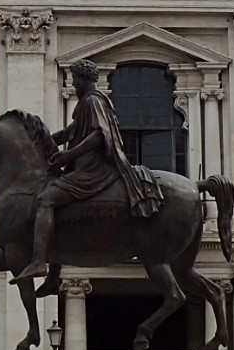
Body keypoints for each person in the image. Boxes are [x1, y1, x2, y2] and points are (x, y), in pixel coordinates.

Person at [15, 59, 164, 280]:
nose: (74, 84)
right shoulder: (85, 104)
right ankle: (53, 277)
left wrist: (68, 155)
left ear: (84, 79)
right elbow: (69, 133)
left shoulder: (93, 101)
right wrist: (40, 143)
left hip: (93, 170)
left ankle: (38, 262)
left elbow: (98, 136)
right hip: (83, 168)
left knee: (46, 199)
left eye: (75, 80)